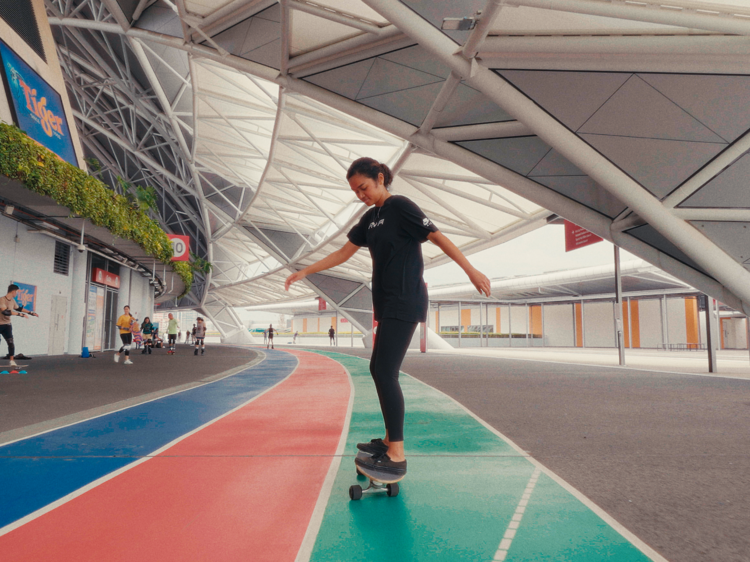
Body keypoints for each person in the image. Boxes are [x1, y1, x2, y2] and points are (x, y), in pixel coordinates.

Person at [285, 157, 490, 478]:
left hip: (406, 299)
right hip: (386, 302)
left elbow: (437, 237)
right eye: (355, 191)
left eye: (363, 187)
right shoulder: (371, 218)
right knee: (377, 368)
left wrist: (471, 270)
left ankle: (396, 453)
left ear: (380, 178)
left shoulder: (400, 206)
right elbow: (344, 252)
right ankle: (387, 439)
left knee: (385, 370)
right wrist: (305, 272)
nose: (360, 195)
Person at [0, 284, 38, 367]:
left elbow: (18, 308)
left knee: (11, 342)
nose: (16, 294)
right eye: (16, 292)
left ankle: (12, 361)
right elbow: (5, 312)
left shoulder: (13, 301)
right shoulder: (2, 300)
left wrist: (31, 313)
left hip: (7, 325)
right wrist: (20, 315)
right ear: (13, 291)